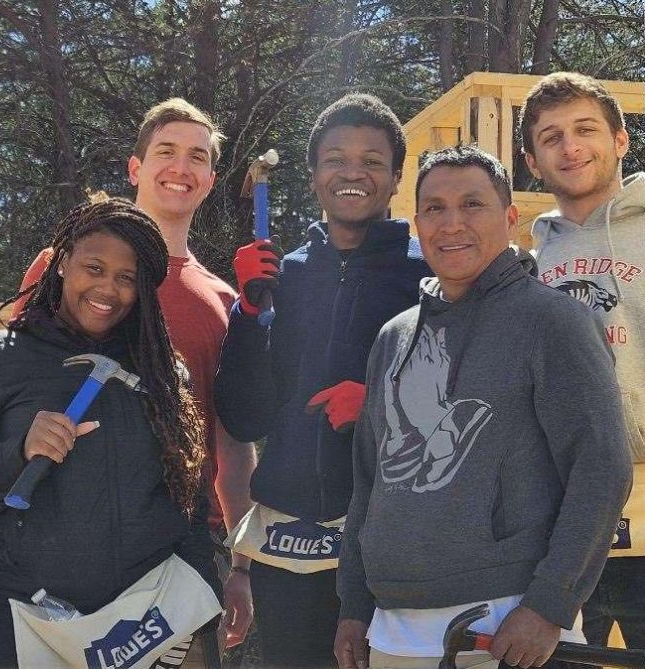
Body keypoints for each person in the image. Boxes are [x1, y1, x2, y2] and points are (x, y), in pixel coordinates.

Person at [334, 145, 632, 669]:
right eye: (434, 208)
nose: (452, 224)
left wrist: (550, 604)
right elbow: (369, 481)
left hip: (503, 624)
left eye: (472, 204)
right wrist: (354, 607)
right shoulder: (394, 336)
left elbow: (601, 469)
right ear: (417, 222)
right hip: (390, 629)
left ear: (510, 218)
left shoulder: (554, 322)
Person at [0, 195, 222, 669]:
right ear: (62, 261)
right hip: (28, 622)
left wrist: (203, 599)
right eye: (94, 267)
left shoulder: (164, 373)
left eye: (126, 277)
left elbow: (186, 497)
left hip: (152, 622)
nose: (108, 287)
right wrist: (17, 454)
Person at [11, 98, 256, 647]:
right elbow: (10, 390)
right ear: (135, 168)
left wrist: (242, 562)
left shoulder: (220, 300)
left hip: (182, 548)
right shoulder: (64, 269)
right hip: (68, 540)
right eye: (165, 151)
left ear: (210, 181)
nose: (180, 167)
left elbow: (232, 443)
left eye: (197, 157)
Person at [214, 93, 429, 668]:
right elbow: (245, 416)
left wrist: (381, 405)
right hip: (292, 546)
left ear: (395, 178)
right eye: (335, 158)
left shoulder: (426, 273)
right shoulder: (283, 276)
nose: (352, 171)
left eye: (372, 160)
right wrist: (248, 314)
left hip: (393, 541)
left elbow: (466, 400)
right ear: (312, 176)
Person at [522, 72, 645, 649]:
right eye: (551, 137)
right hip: (568, 522)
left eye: (586, 129)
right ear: (532, 160)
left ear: (621, 140)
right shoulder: (527, 263)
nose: (570, 147)